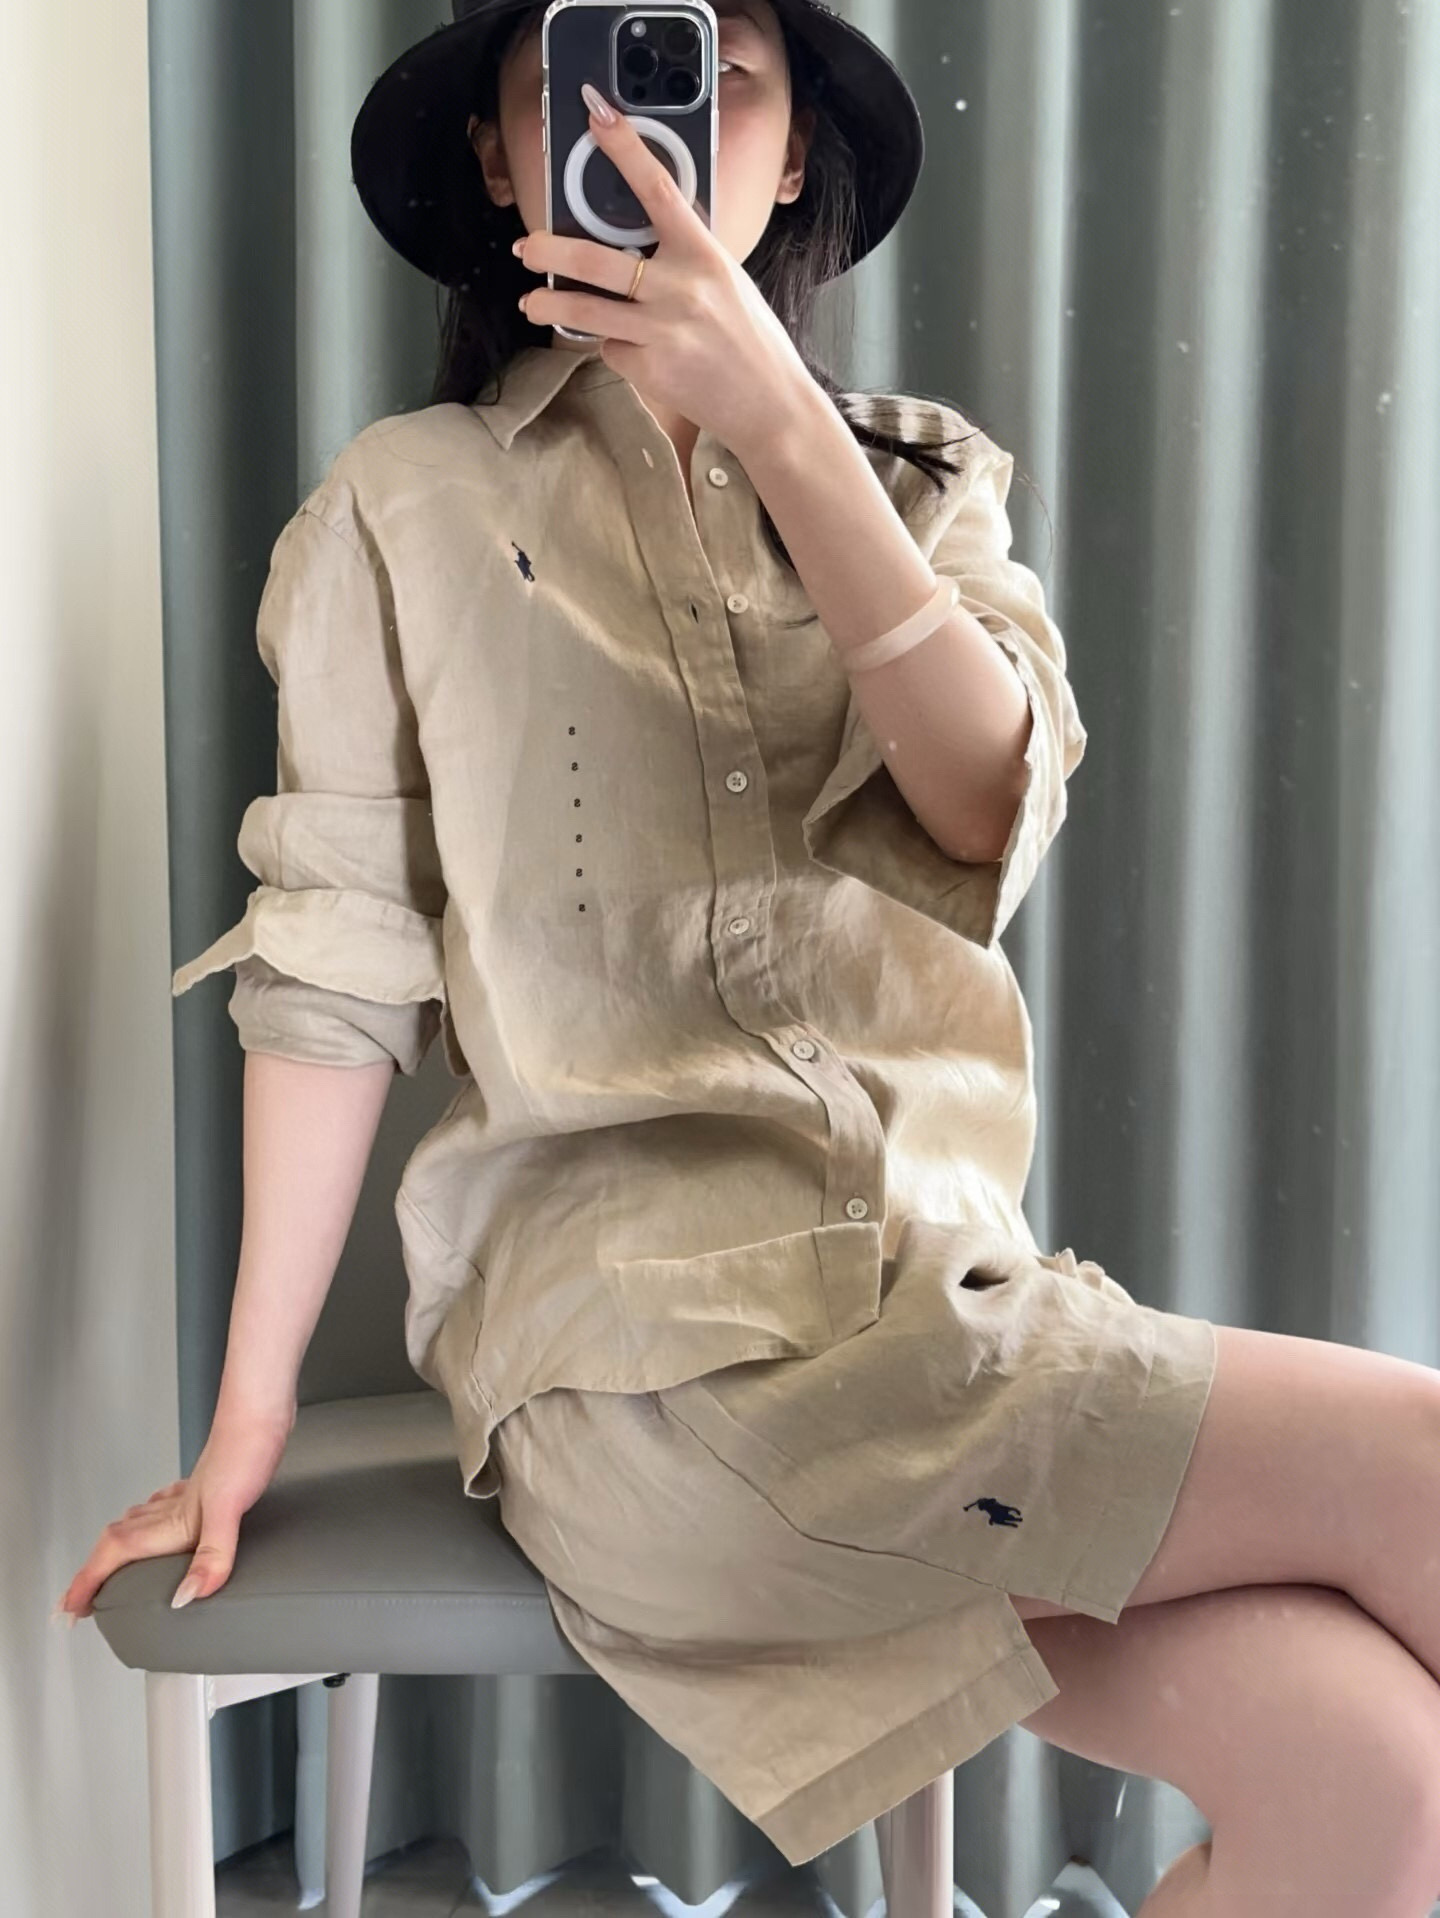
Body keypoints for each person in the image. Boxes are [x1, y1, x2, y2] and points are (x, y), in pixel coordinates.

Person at [57, 3, 1440, 1907]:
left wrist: (786, 423)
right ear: (503, 156)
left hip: (938, 1318)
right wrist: (245, 1423)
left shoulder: (926, 487)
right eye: (583, 79)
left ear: (790, 156)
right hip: (651, 1383)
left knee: (1379, 1782)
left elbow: (988, 803)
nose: (651, 129)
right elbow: (336, 967)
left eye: (721, 78)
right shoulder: (401, 507)